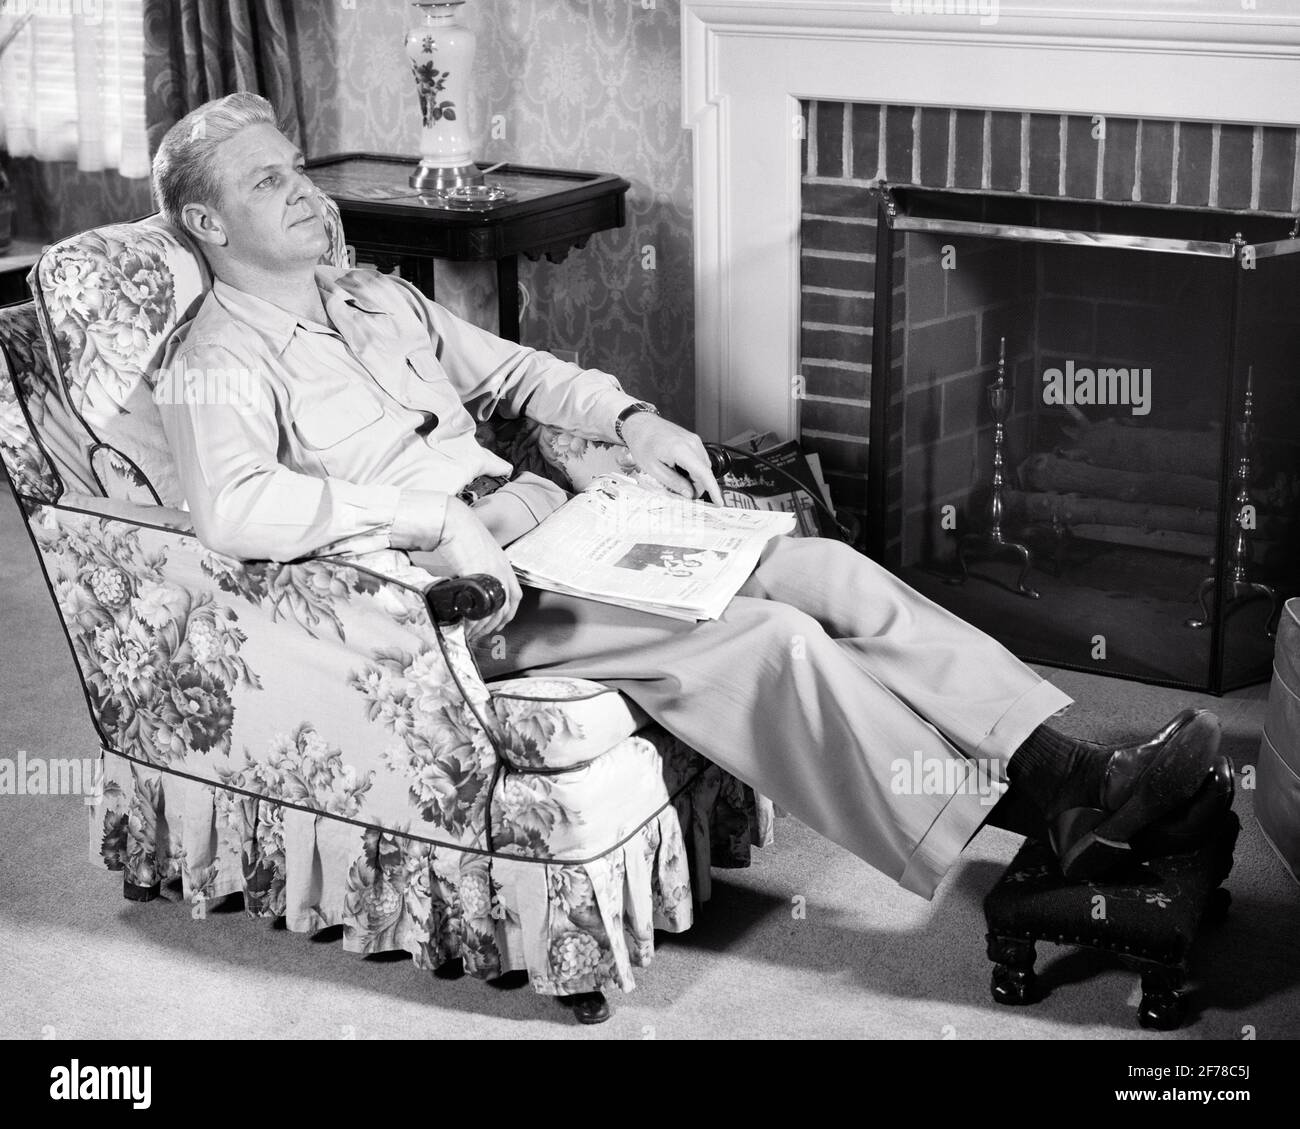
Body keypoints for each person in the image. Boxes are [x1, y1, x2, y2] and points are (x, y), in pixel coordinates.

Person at [153, 95, 1232, 1019]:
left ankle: (1077, 778)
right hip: (471, 593)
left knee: (821, 570)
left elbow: (522, 376)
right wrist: (428, 520)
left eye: (297, 166)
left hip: (557, 526)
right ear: (208, 221)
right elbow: (235, 509)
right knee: (768, 640)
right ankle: (1042, 811)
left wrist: (634, 422)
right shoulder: (217, 358)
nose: (303, 190)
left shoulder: (373, 296)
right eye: (266, 181)